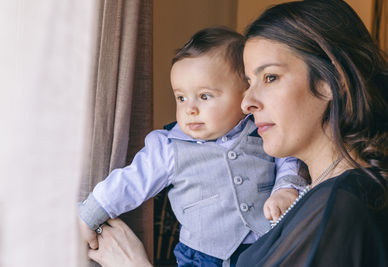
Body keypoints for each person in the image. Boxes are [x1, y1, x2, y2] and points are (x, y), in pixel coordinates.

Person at [86, 0, 388, 266]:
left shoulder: (342, 206)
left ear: (333, 82)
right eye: (249, 81)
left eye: (271, 77)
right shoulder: (323, 195)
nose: (247, 102)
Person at [79, 27, 306, 266]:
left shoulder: (262, 131)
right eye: (181, 98)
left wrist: (286, 188)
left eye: (205, 96)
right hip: (202, 257)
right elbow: (129, 182)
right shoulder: (169, 147)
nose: (190, 109)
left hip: (267, 249)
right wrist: (89, 215)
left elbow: (289, 159)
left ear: (245, 95)